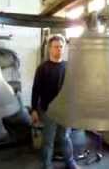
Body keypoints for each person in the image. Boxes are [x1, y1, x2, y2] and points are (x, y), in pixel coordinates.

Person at [31, 34, 80, 169]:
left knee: (65, 138)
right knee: (48, 141)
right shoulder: (42, 68)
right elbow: (36, 89)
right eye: (56, 47)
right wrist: (34, 109)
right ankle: (47, 165)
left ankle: (70, 163)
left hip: (65, 111)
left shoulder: (68, 67)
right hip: (48, 111)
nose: (59, 49)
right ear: (50, 49)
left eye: (61, 47)